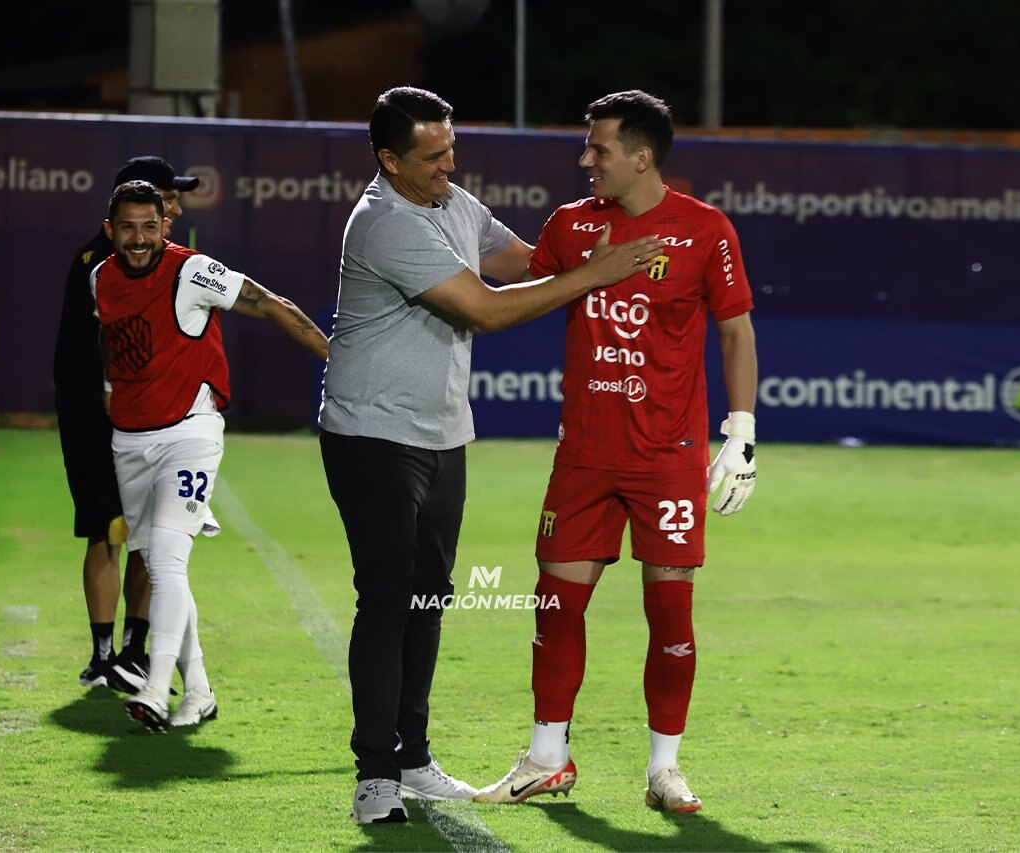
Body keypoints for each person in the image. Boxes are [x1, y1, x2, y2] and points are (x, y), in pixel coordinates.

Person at [318, 85, 667, 825]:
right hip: (373, 435)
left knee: (428, 598)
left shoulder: (453, 203)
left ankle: (412, 754)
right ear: (389, 159)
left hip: (443, 432)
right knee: (386, 599)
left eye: (452, 148)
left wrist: (599, 227)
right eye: (432, 155)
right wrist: (596, 274)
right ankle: (375, 773)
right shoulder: (384, 224)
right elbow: (485, 306)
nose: (449, 164)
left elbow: (527, 262)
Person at [474, 89, 758, 813]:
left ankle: (664, 769)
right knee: (555, 605)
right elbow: (532, 284)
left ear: (641, 155)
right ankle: (547, 756)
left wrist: (742, 431)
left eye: (599, 149)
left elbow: (734, 329)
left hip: (668, 454)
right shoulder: (572, 225)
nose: (586, 160)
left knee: (670, 613)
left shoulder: (705, 230)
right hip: (585, 454)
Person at [92, 180, 328, 731]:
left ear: (165, 226)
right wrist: (109, 387)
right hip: (129, 439)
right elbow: (110, 337)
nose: (139, 238)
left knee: (169, 561)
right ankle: (198, 690)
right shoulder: (99, 278)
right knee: (155, 561)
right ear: (110, 231)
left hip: (190, 433)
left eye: (150, 226)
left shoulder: (192, 270)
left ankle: (154, 689)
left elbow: (272, 304)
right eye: (127, 227)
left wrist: (337, 359)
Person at [55, 156, 199, 693]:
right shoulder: (100, 266)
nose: (176, 208)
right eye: (169, 199)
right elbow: (88, 352)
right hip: (108, 421)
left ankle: (124, 652)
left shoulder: (163, 261)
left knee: (133, 535)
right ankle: (111, 654)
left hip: (135, 418)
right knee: (115, 532)